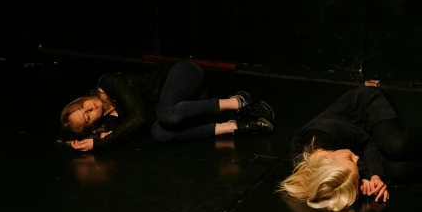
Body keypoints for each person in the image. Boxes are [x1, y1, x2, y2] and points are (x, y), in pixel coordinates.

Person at [279, 86, 422, 211]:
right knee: (396, 172)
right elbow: (353, 162)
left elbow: (366, 143)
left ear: (327, 160)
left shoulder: (323, 132)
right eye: (354, 163)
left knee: (396, 145)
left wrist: (373, 172)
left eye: (351, 160)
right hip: (360, 140)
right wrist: (365, 181)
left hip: (366, 110)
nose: (356, 158)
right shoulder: (323, 171)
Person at [58, 59, 275, 151]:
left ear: (80, 100)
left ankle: (240, 101)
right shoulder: (111, 122)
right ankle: (236, 125)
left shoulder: (108, 82)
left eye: (82, 106)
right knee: (159, 134)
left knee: (165, 116)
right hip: (188, 105)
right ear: (92, 125)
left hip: (183, 74)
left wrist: (102, 144)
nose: (89, 109)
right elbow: (136, 131)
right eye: (87, 117)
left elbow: (139, 117)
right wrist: (95, 139)